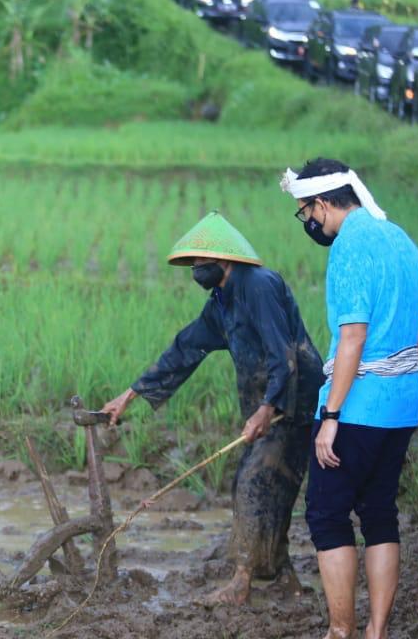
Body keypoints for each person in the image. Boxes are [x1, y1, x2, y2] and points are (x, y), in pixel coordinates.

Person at [102, 211, 322, 606]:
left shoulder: (259, 285)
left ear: (226, 259)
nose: (195, 270)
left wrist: (267, 408)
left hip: (293, 403)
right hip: (268, 406)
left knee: (255, 483)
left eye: (201, 262)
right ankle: (283, 576)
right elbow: (186, 348)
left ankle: (242, 581)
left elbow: (283, 354)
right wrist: (131, 394)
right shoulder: (221, 301)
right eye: (192, 263)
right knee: (266, 485)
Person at [281, 159, 418, 639]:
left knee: (326, 514)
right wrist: (398, 382)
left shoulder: (349, 247)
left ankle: (340, 631)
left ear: (323, 204)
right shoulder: (400, 238)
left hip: (358, 406)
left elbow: (353, 336)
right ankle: (376, 631)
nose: (310, 224)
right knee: (380, 511)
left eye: (307, 213)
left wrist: (332, 415)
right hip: (402, 402)